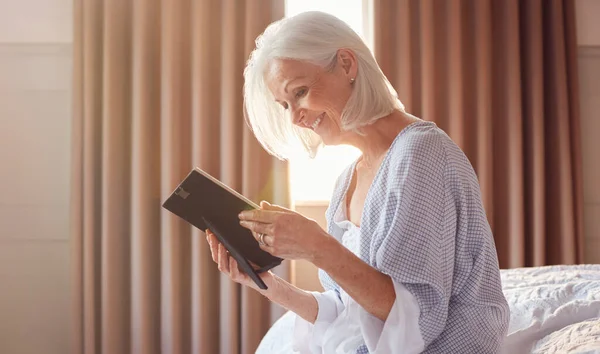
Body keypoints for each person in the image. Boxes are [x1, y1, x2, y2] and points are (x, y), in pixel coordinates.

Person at [204, 11, 509, 354]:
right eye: (284, 105)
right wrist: (265, 283)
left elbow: (414, 321)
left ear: (347, 64)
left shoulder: (422, 155)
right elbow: (348, 309)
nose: (294, 117)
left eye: (300, 92)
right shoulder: (348, 181)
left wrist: (316, 246)